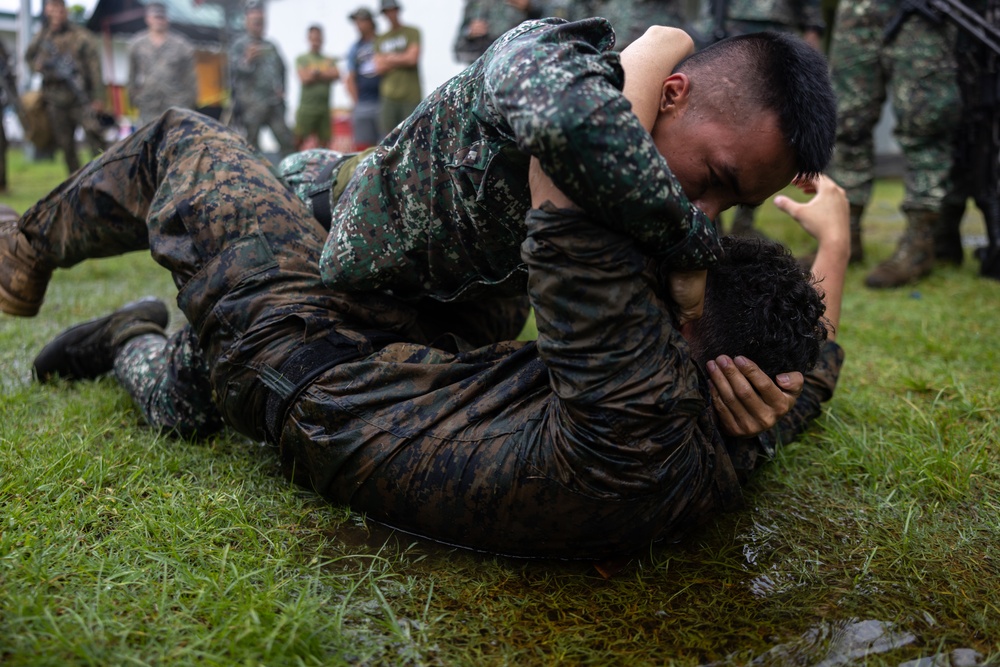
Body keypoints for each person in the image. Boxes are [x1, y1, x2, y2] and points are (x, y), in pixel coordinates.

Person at [1, 21, 842, 558]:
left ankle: (117, 327)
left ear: (703, 354)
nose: (704, 215)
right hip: (364, 252)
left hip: (346, 349)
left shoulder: (632, 374)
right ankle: (72, 275)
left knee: (199, 350)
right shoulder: (735, 431)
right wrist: (816, 250)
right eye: (718, 181)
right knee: (204, 163)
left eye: (726, 208)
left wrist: (658, 50)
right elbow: (816, 366)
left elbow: (581, 175)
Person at [826, 0, 959, 288]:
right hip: (858, 11)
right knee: (847, 122)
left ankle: (920, 243)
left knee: (924, 123)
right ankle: (841, 237)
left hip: (922, 11)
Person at [697, 0, 825, 238]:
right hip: (725, 27)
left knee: (770, 127)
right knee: (720, 120)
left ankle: (744, 222)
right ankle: (712, 223)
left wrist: (813, 28)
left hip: (776, 26)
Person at [24, 0, 110, 174]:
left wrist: (98, 98)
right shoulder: (42, 36)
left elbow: (95, 69)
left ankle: (106, 174)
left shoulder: (81, 36)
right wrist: (38, 66)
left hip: (81, 98)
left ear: (65, 10)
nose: (57, 12)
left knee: (95, 137)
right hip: (55, 99)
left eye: (60, 8)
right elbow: (29, 57)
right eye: (53, 7)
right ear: (47, 10)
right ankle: (75, 184)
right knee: (66, 146)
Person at [228, 2, 295, 157]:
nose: (259, 25)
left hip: (273, 103)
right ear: (247, 22)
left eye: (262, 22)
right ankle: (252, 178)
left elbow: (283, 69)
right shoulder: (239, 45)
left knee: (287, 141)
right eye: (255, 22)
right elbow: (233, 73)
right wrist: (247, 60)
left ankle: (288, 175)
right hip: (251, 106)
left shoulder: (271, 45)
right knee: (250, 146)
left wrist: (283, 89)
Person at [126, 2, 197, 126]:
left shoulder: (182, 46)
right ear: (148, 19)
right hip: (148, 103)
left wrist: (190, 102)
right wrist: (133, 97)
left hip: (175, 103)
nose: (159, 20)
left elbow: (190, 77)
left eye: (162, 17)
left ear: (167, 19)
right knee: (148, 140)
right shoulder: (136, 45)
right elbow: (131, 74)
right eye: (156, 17)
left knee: (175, 139)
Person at [374, 0, 421, 136]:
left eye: (392, 10)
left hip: (411, 96)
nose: (390, 14)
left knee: (413, 137)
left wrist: (388, 58)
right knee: (388, 139)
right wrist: (402, 57)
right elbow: (378, 67)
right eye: (386, 11)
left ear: (397, 10)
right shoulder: (380, 38)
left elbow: (412, 58)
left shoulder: (412, 32)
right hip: (388, 97)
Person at [453, 0, 543, 64]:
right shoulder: (475, 4)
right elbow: (457, 51)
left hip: (518, 64)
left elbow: (552, 25)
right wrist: (470, 33)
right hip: (482, 71)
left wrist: (529, 8)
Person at [293, 25, 339, 150]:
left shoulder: (329, 59)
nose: (316, 41)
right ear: (308, 38)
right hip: (307, 108)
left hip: (324, 109)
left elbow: (336, 74)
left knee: (325, 142)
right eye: (313, 38)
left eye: (318, 38)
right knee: (298, 140)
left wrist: (316, 73)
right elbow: (305, 78)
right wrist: (324, 73)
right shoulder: (302, 58)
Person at [345, 7, 383, 150]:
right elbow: (350, 77)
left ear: (370, 21)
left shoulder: (382, 42)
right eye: (356, 22)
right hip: (363, 103)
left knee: (386, 146)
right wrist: (356, 103)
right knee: (364, 148)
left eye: (361, 21)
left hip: (383, 102)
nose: (358, 25)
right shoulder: (355, 48)